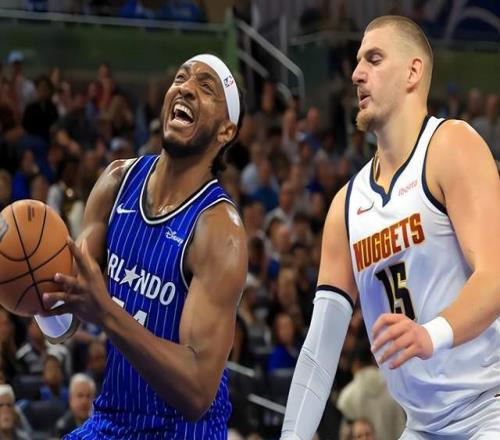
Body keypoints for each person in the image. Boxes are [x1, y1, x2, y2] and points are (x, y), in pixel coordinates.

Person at [280, 15, 500, 440]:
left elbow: (495, 276)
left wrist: (430, 334)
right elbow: (319, 353)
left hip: (488, 408)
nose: (356, 74)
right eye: (358, 61)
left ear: (413, 72)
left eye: (374, 59)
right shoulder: (346, 206)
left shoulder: (451, 146)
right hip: (420, 425)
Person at [38, 54, 248, 438]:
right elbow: (65, 319)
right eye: (181, 78)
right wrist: (37, 293)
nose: (186, 88)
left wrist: (106, 313)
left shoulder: (220, 230)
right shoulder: (116, 181)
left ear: (225, 131)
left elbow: (196, 392)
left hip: (183, 431)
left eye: (206, 87)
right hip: (112, 419)